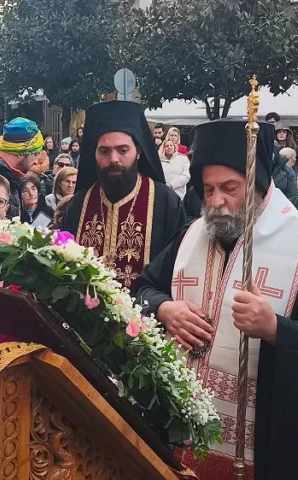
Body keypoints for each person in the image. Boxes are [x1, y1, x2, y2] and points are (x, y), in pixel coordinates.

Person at [135, 119, 298, 479]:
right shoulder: (191, 234)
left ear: (259, 186)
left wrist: (275, 329)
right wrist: (165, 308)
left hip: (263, 444)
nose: (216, 201)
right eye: (208, 189)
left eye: (230, 188)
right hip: (177, 431)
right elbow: (144, 288)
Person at [61, 101, 186, 293]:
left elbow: (176, 273)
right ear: (94, 154)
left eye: (123, 150)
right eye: (104, 151)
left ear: (139, 151)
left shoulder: (166, 203)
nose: (113, 159)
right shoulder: (79, 203)